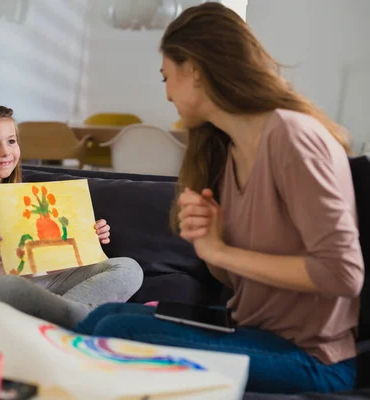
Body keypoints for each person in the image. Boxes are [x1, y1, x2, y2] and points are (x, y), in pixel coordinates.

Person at [75, 2, 364, 394]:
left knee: (114, 329)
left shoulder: (293, 138)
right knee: (105, 316)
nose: (167, 94)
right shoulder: (231, 152)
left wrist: (222, 251)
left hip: (312, 357)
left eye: (166, 78)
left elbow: (343, 274)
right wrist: (215, 243)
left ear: (193, 68)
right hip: (250, 329)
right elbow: (236, 279)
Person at [0, 105, 143, 329]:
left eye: (11, 141)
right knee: (12, 285)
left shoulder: (24, 192)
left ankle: (71, 314)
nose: (5, 151)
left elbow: (49, 255)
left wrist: (87, 236)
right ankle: (79, 316)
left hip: (41, 282)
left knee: (129, 268)